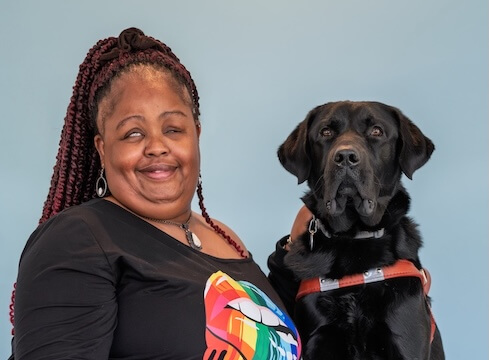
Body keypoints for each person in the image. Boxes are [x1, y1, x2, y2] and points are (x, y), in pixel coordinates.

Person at [10, 27, 302, 360]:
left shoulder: (224, 237)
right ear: (102, 150)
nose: (157, 147)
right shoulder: (79, 238)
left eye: (173, 129)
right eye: (133, 133)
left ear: (196, 135)